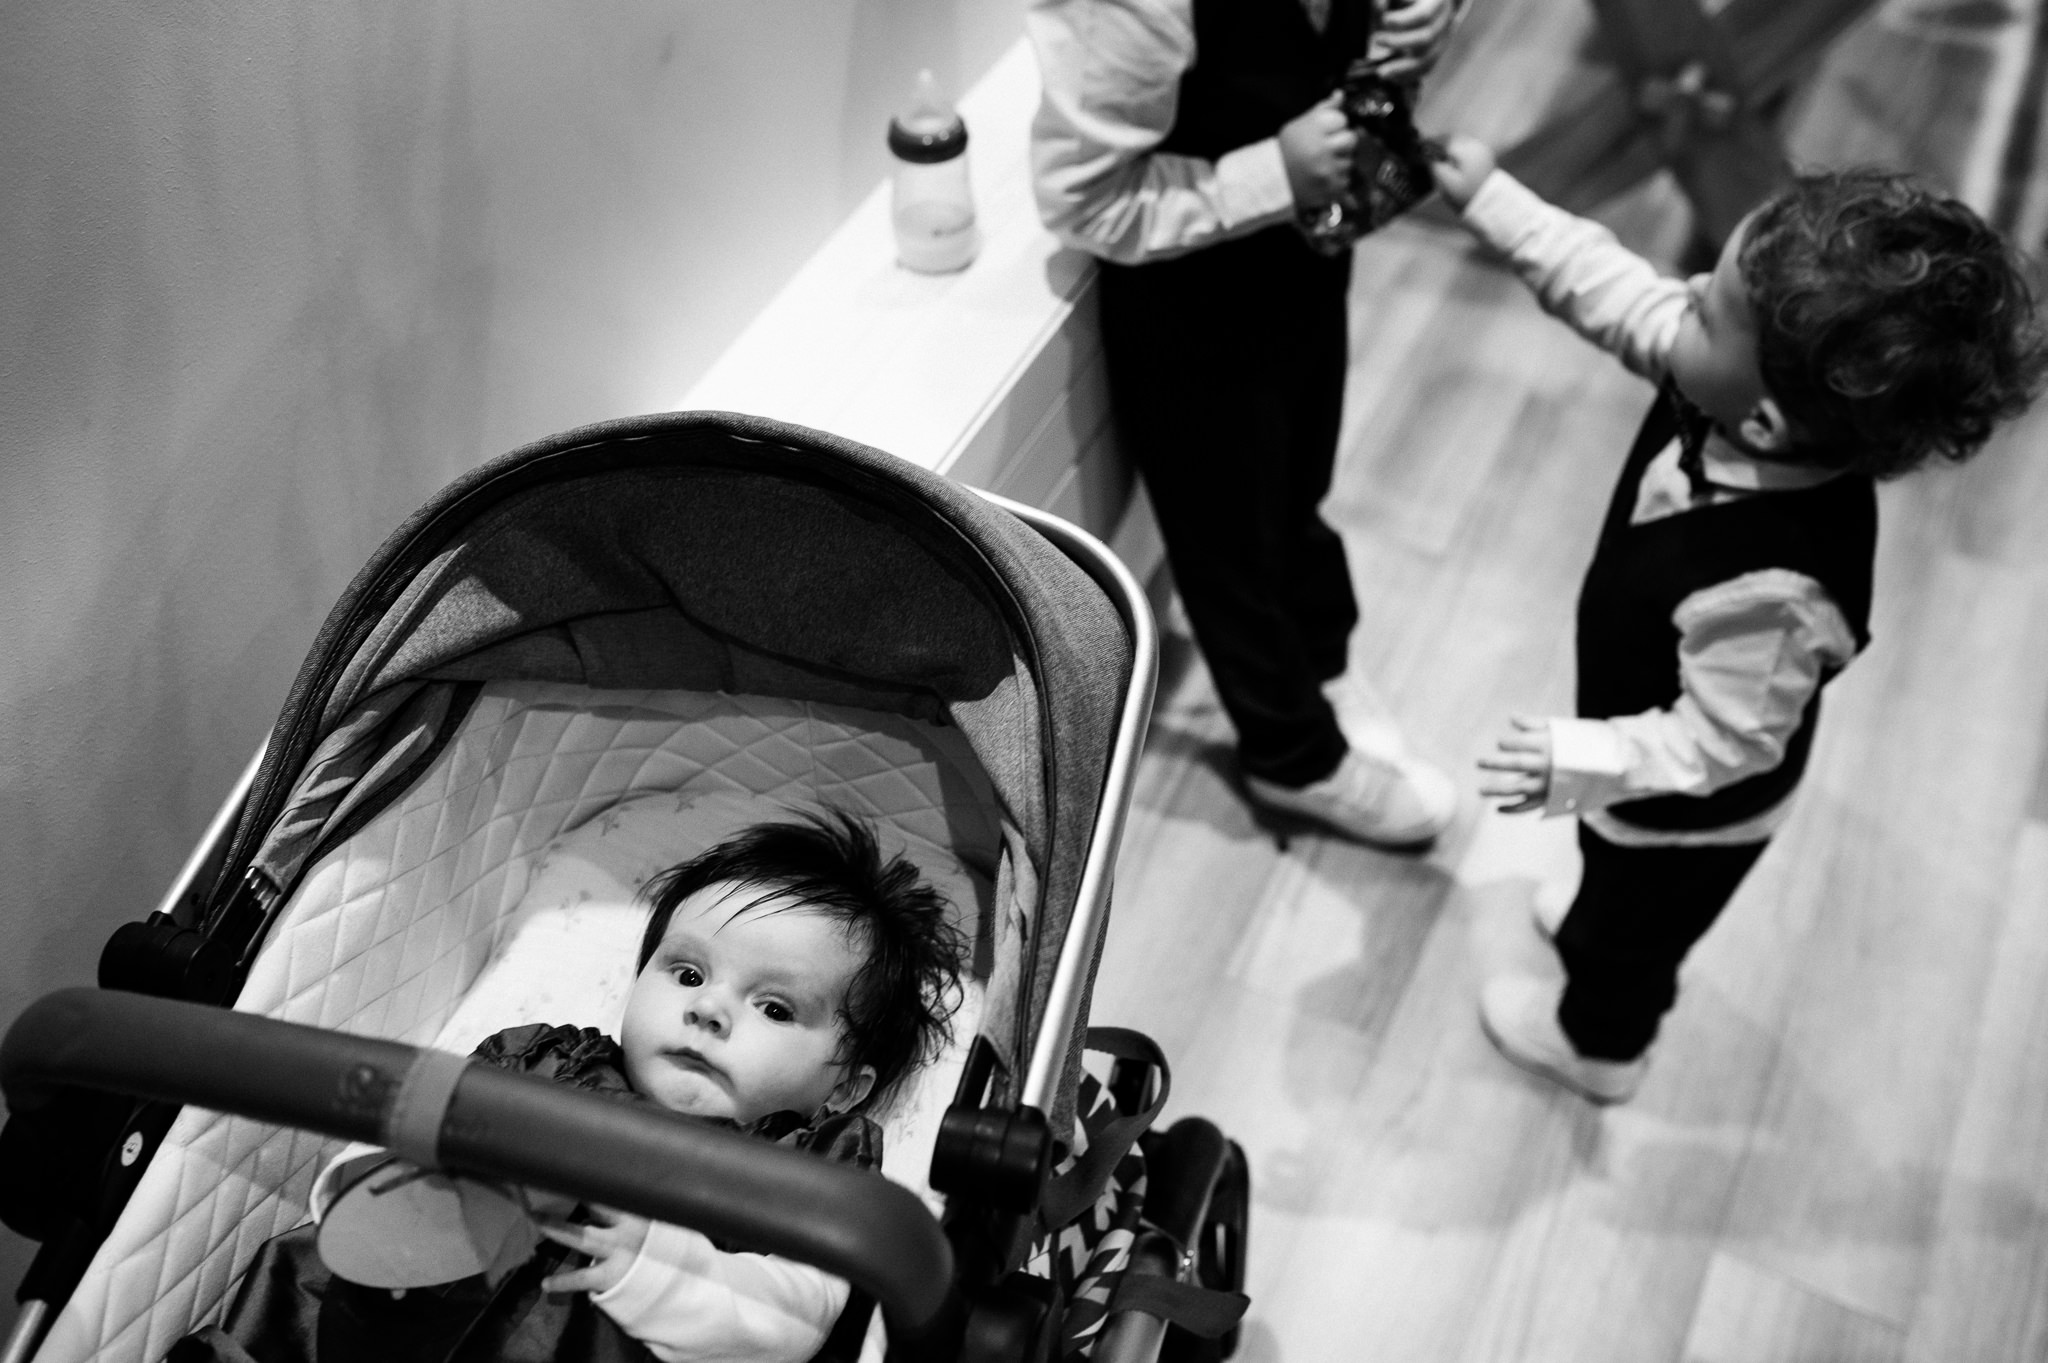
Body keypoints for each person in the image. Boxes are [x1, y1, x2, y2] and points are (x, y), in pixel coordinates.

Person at [1428, 135, 2047, 1103]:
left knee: (1630, 937)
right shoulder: (1726, 388)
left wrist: (1586, 760)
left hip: (1687, 813)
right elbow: (1610, 289)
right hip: (1638, 757)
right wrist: (1492, 200)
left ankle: (1599, 1047)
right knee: (1606, 877)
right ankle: (1599, 912)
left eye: (1703, 307)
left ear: (1759, 422)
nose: (1675, 294)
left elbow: (1725, 743)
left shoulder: (1776, 590)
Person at [170, 810, 967, 1363]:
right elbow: (382, 1146)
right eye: (687, 971)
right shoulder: (536, 1061)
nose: (708, 1008)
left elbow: (791, 1325)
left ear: (847, 1087)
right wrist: (374, 1187)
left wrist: (654, 1261)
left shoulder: (815, 1169)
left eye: (775, 1006)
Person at [1026, 0, 1466, 847]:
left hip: (1301, 254)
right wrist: (1275, 173)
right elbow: (1085, 202)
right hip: (1192, 295)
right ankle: (1290, 754)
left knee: (1303, 476)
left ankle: (1323, 658)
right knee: (1228, 540)